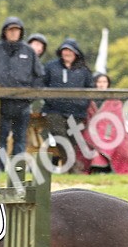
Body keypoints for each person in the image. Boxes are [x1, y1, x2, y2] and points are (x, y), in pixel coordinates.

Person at [0, 16, 43, 159]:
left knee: (20, 140)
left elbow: (39, 76)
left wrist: (30, 96)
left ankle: (17, 170)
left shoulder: (29, 52)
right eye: (10, 30)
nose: (13, 33)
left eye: (16, 30)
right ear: (5, 32)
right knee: (0, 140)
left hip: (22, 105)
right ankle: (0, 169)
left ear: (21, 32)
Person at [40, 38, 94, 171]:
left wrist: (82, 104)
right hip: (54, 110)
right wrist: (50, 100)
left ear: (76, 53)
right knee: (60, 137)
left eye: (69, 50)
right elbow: (42, 85)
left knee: (72, 141)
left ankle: (69, 169)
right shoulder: (51, 66)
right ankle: (74, 168)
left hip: (77, 112)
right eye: (64, 50)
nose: (66, 53)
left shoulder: (84, 70)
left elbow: (90, 89)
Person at [86, 72, 128, 175]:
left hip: (111, 133)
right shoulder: (88, 101)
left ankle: (109, 168)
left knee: (120, 146)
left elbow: (117, 121)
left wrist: (107, 134)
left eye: (104, 82)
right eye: (99, 82)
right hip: (91, 134)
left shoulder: (114, 101)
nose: (102, 84)